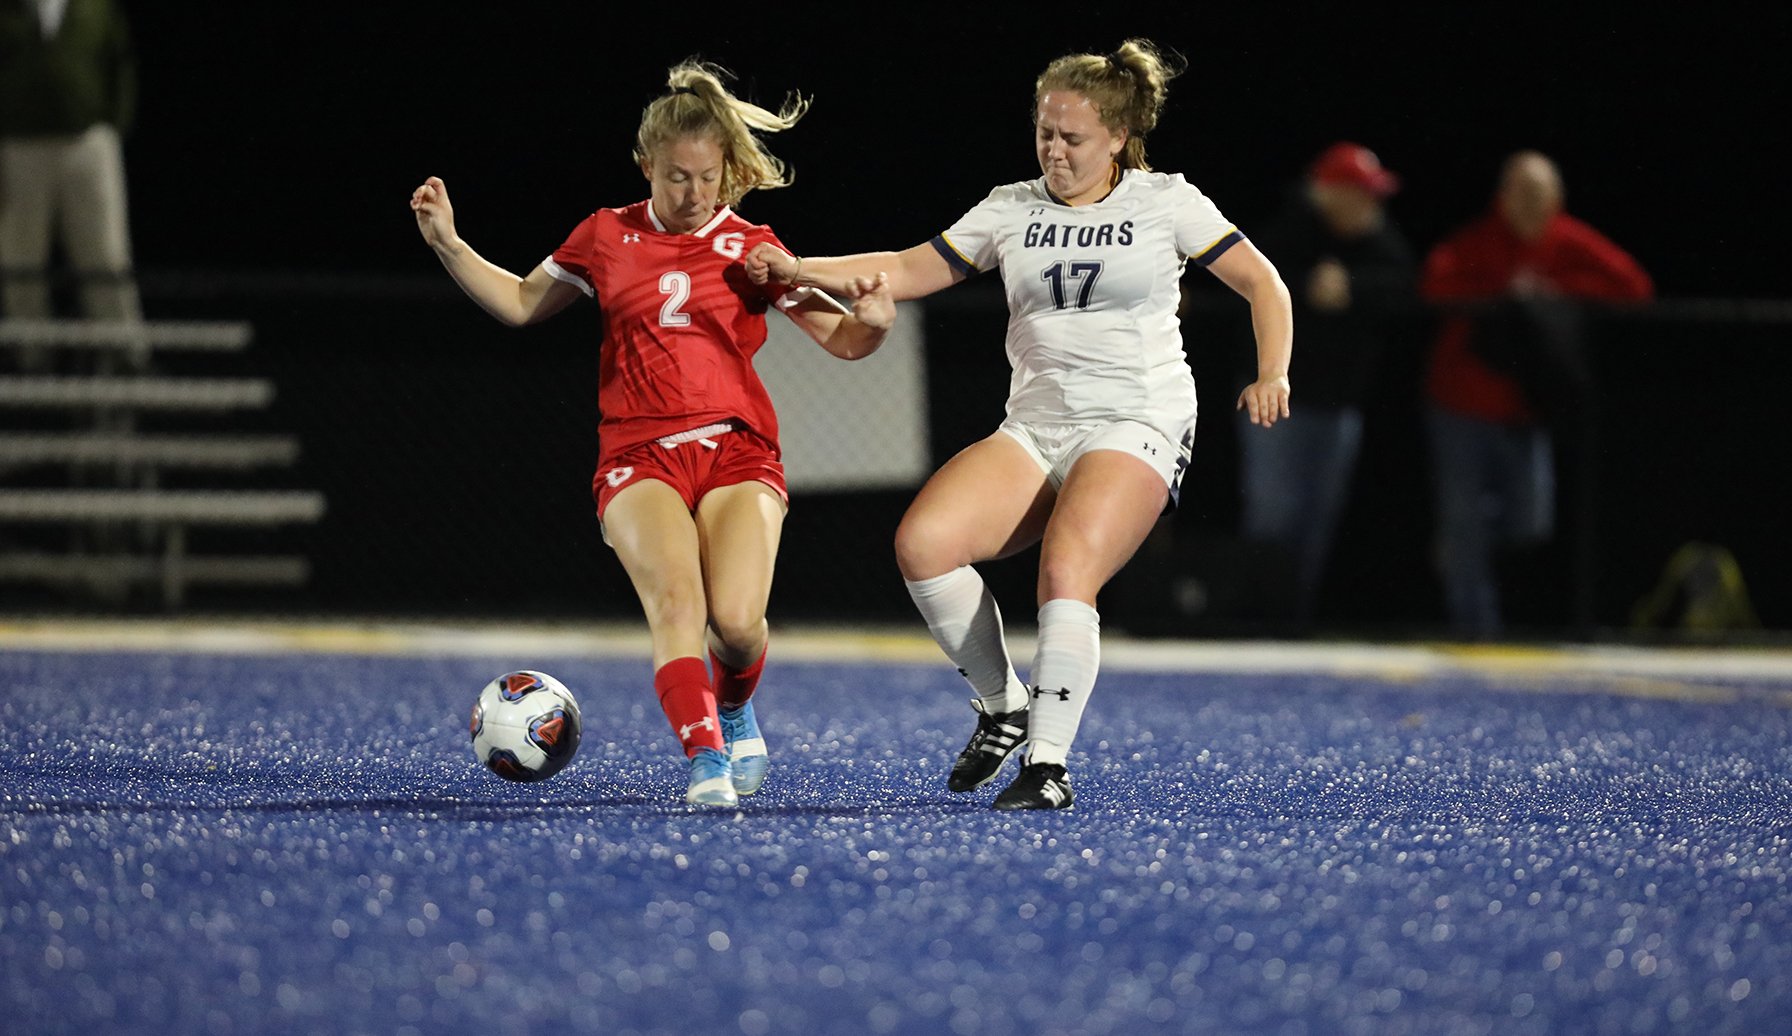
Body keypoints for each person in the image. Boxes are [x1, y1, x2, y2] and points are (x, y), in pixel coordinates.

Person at [747, 39, 1292, 810]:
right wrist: (796, 266)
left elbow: (1263, 283)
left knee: (1066, 571)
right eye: (1044, 132)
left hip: (1137, 416)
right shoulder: (1012, 207)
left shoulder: (1167, 200)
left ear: (1118, 137)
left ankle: (1048, 766)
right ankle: (1004, 705)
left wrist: (1273, 372)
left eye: (1072, 137)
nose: (1054, 149)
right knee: (923, 545)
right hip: (1037, 425)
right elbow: (906, 269)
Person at [410, 62, 895, 807]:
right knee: (678, 602)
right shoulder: (604, 235)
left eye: (708, 177)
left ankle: (733, 707)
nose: (694, 193)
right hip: (637, 455)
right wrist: (448, 243)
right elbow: (517, 304)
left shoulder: (756, 248)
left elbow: (847, 344)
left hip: (737, 451)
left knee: (736, 626)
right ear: (646, 167)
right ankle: (704, 761)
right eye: (676, 177)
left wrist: (872, 322)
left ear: (727, 171)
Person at [1421, 151, 1651, 635]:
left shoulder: (1568, 241)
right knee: (1463, 522)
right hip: (1460, 403)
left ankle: (1462, 544)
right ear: (1500, 199)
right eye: (1518, 193)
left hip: (1526, 409)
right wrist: (1503, 293)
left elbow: (1633, 285)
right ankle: (1477, 632)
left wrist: (1554, 290)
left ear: (1557, 200)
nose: (1527, 204)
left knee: (1530, 521)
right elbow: (1434, 283)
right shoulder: (1477, 241)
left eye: (1538, 194)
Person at [1240, 142, 1414, 625]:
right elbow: (1251, 284)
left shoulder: (1377, 240)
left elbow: (1407, 284)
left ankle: (1294, 621)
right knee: (1273, 514)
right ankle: (1260, 621)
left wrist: (1352, 286)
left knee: (1318, 520)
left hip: (1339, 403)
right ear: (1328, 192)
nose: (1370, 204)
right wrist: (1307, 286)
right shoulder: (1288, 232)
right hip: (1275, 402)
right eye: (1359, 193)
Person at [0, 0, 143, 370]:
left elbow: (120, 62)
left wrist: (114, 123)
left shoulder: (95, 7)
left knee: (106, 254)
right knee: (20, 257)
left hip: (87, 141)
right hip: (19, 146)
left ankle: (125, 356)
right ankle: (32, 359)